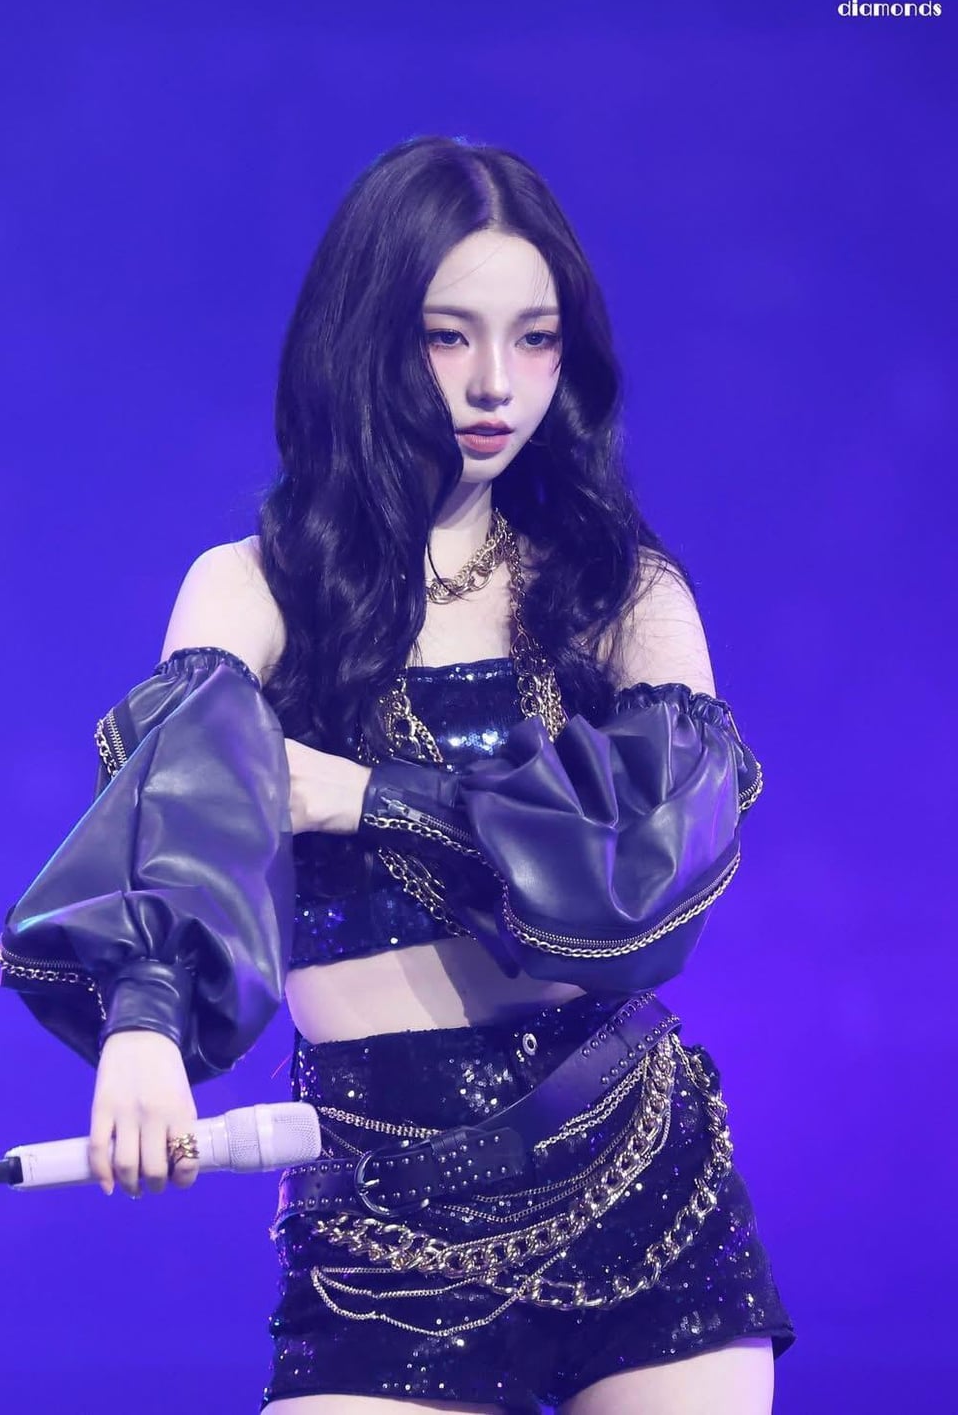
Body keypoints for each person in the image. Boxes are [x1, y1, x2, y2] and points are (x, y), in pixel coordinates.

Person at [86, 134, 796, 1414]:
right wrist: (142, 1019)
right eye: (446, 335)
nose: (495, 383)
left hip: (634, 1177)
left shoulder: (620, 593)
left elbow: (639, 886)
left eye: (536, 338)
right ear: (364, 337)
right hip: (384, 1227)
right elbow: (174, 816)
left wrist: (360, 796)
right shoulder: (252, 589)